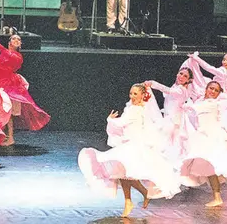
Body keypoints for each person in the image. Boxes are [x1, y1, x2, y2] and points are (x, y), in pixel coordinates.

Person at [77, 83, 182, 217]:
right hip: (130, 143)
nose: (132, 96)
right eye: (131, 93)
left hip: (134, 145)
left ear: (143, 95)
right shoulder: (138, 108)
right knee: (123, 172)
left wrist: (109, 119)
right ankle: (132, 199)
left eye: (135, 94)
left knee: (124, 171)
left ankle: (133, 199)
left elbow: (122, 122)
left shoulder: (136, 110)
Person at [180, 81, 227, 207]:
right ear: (206, 89)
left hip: (213, 137)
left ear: (219, 93)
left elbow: (198, 110)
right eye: (211, 88)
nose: (212, 92)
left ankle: (217, 196)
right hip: (202, 137)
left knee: (214, 165)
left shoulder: (216, 104)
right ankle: (217, 197)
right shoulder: (200, 102)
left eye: (215, 90)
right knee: (208, 167)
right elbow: (194, 116)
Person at [0, 33, 51, 146]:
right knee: (0, 110)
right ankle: (2, 136)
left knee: (8, 111)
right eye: (14, 39)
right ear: (9, 42)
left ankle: (11, 137)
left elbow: (7, 54)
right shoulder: (3, 55)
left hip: (10, 86)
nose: (17, 40)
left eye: (19, 39)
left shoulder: (17, 56)